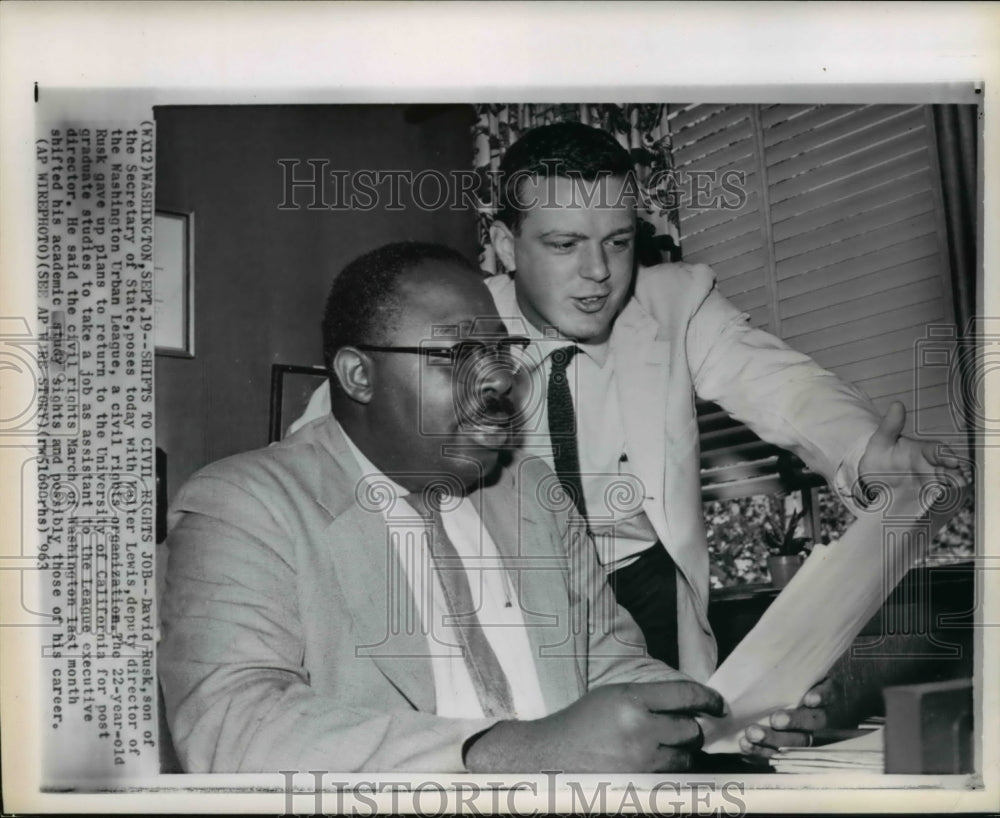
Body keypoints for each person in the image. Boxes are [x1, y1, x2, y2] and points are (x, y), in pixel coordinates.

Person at [291, 123, 962, 754]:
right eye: (564, 244)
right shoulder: (450, 321)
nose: (599, 273)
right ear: (503, 245)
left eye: (617, 241)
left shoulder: (673, 303)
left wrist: (868, 448)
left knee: (669, 762)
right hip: (510, 592)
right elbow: (331, 440)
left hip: (643, 595)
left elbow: (782, 384)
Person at [158, 241, 725, 774]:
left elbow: (608, 662)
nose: (498, 381)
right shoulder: (244, 504)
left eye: (502, 354)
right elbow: (231, 725)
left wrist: (730, 714)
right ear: (359, 375)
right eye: (458, 356)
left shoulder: (536, 495)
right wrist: (510, 752)